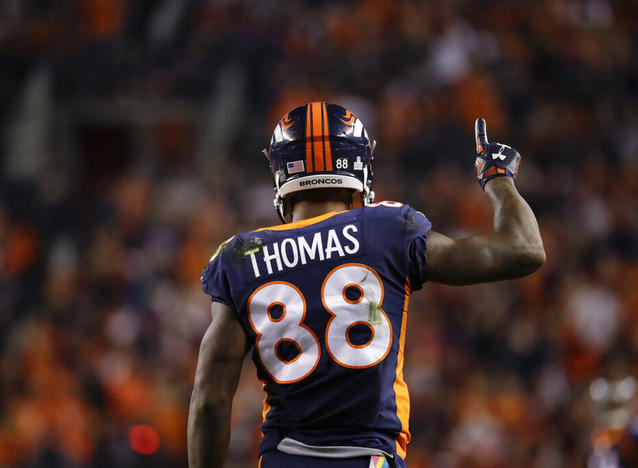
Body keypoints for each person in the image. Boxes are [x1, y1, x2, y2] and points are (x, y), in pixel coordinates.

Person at [188, 102, 545, 468]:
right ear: (359, 166)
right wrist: (498, 176)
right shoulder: (387, 229)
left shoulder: (242, 255)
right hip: (368, 457)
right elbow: (524, 250)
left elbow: (210, 397)